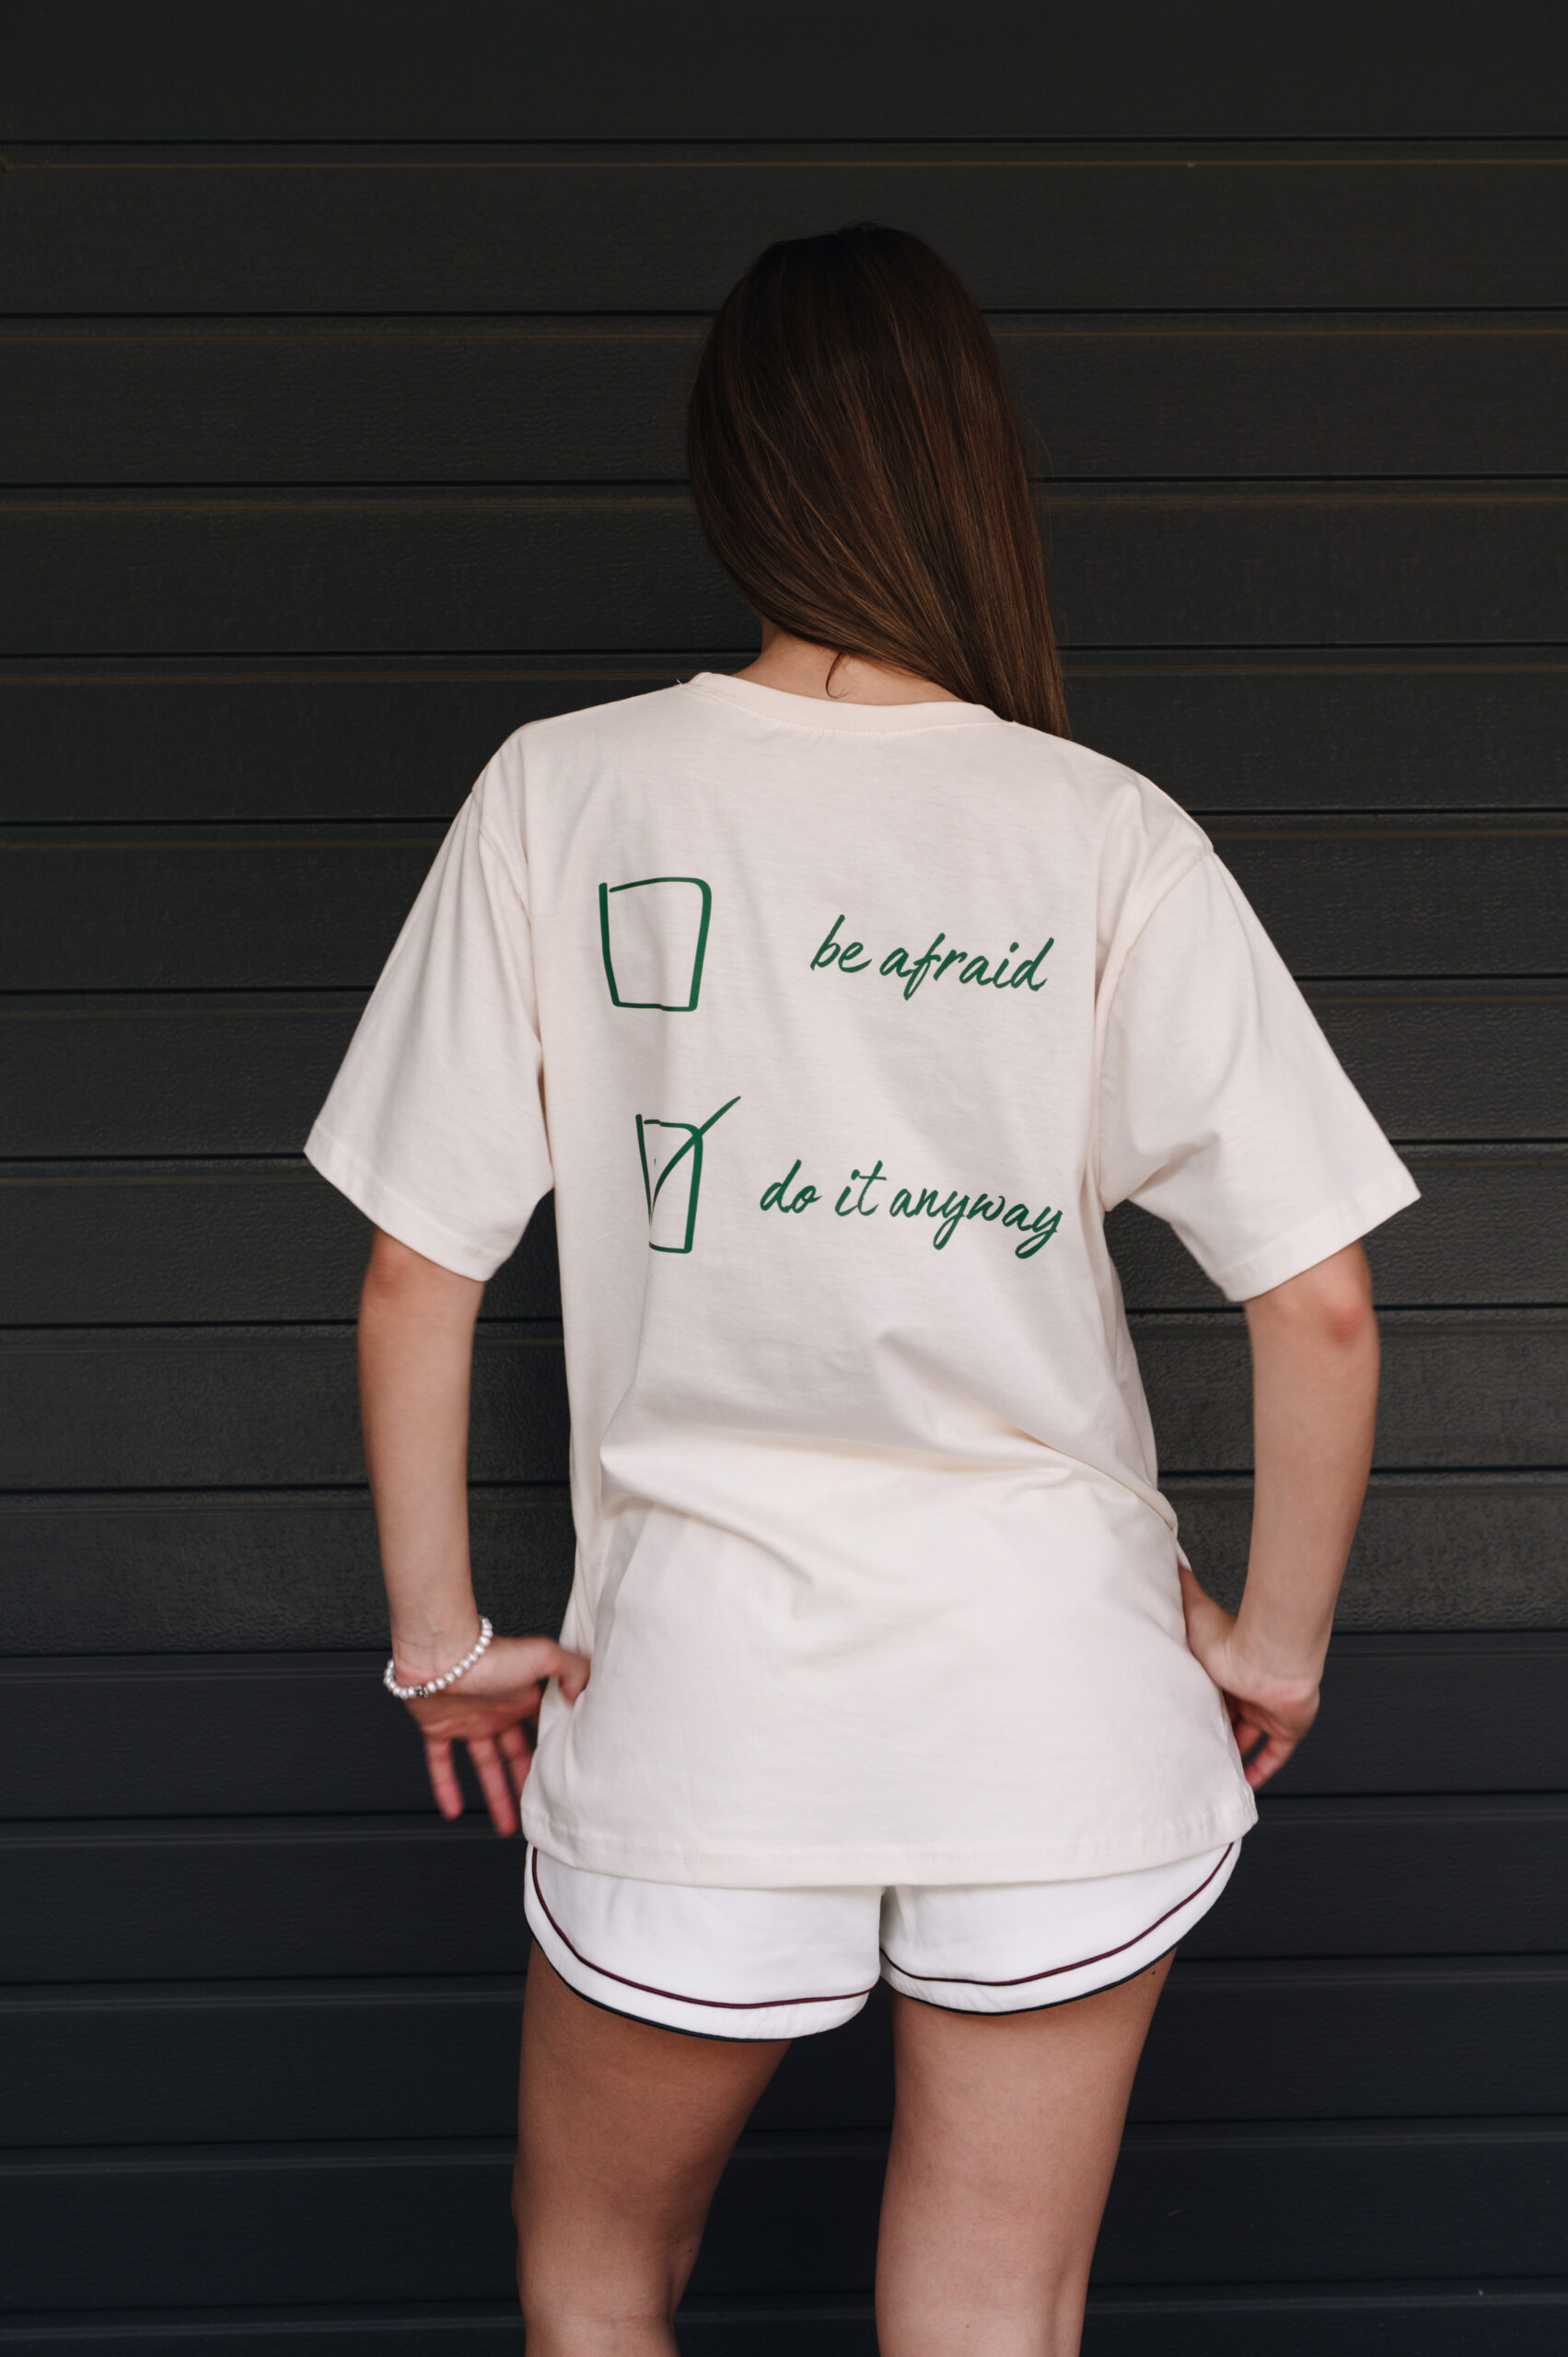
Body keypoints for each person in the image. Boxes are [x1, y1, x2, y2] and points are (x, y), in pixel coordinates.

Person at [306, 224, 1417, 2356]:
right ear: (977, 469)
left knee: (595, 2280)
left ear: (730, 473)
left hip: (706, 1697)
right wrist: (1270, 1642)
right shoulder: (1104, 831)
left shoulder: (563, 791)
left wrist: (440, 1644)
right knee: (990, 2313)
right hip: (1058, 1696)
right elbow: (1324, 1301)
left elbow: (415, 1265)